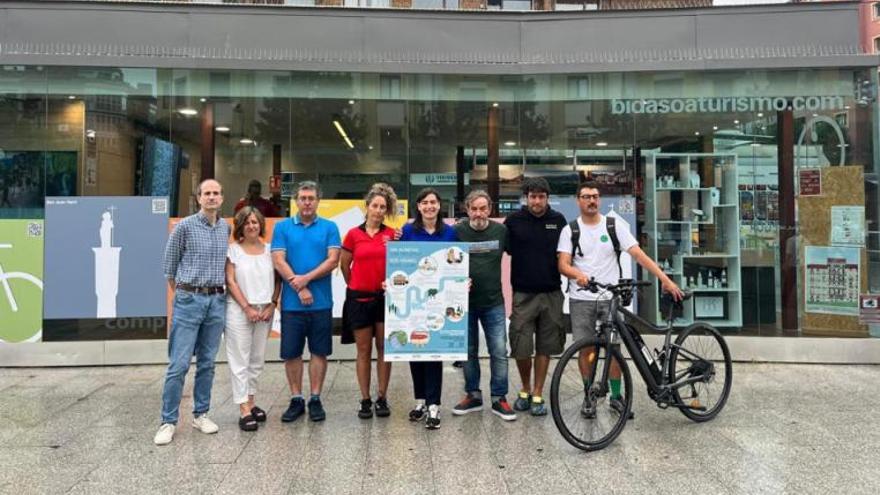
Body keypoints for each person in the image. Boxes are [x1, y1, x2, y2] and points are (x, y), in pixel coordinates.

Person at [557, 181, 684, 418]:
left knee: (614, 348)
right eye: (586, 197)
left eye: (595, 196)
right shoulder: (570, 230)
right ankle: (589, 396)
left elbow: (639, 255)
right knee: (584, 349)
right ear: (578, 201)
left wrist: (665, 280)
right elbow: (563, 264)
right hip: (581, 298)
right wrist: (577, 275)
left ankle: (616, 396)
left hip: (610, 298)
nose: (592, 201)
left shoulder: (613, 226)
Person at [154, 179, 230, 446]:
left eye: (216, 193)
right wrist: (186, 294)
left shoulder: (225, 227)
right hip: (189, 299)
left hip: (216, 300)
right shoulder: (184, 227)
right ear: (199, 198)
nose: (211, 197)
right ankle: (168, 421)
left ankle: (201, 414)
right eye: (207, 193)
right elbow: (169, 267)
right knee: (179, 364)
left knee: (207, 363)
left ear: (222, 198)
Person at [272, 181, 341, 423]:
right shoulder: (282, 228)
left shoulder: (330, 227)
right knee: (291, 353)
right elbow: (278, 260)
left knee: (319, 351)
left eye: (311, 198)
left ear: (318, 201)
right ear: (296, 201)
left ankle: (315, 398)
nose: (307, 202)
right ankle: (296, 398)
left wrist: (305, 279)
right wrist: (299, 286)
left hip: (321, 303)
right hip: (291, 305)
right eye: (303, 198)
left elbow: (333, 260)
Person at [504, 177, 567, 417]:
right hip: (523, 294)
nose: (537, 201)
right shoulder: (513, 221)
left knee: (545, 345)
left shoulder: (558, 221)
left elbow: (567, 255)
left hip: (551, 293)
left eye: (541, 197)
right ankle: (525, 388)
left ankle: (538, 392)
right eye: (533, 197)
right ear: (526, 198)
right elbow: (501, 248)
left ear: (547, 198)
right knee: (521, 345)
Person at [452, 190, 516, 421]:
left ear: (489, 209)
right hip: (464, 303)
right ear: (467, 210)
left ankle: (499, 397)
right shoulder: (457, 232)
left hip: (493, 302)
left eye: (483, 208)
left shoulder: (501, 231)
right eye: (474, 209)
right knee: (468, 351)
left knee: (499, 351)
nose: (478, 213)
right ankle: (473, 395)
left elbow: (520, 251)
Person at [399, 188, 458, 430]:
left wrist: (461, 282)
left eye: (433, 202)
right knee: (415, 350)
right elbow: (399, 261)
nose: (429, 206)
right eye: (425, 202)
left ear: (439, 205)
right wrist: (392, 281)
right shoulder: (407, 231)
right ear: (418, 206)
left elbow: (456, 263)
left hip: (438, 301)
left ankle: (434, 405)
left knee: (434, 352)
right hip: (414, 301)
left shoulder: (450, 233)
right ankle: (421, 401)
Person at [340, 183, 397, 420]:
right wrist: (356, 284)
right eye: (375, 205)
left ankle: (382, 397)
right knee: (363, 350)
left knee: (384, 349)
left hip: (385, 299)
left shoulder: (392, 235)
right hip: (360, 300)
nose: (378, 210)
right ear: (367, 206)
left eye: (383, 207)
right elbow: (344, 265)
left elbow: (400, 264)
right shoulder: (353, 234)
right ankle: (365, 399)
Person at [224, 206, 280, 431]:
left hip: (264, 310)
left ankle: (251, 400)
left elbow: (278, 280)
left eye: (255, 222)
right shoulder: (233, 251)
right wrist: (246, 307)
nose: (251, 226)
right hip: (239, 311)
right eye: (247, 222)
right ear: (240, 226)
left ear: (261, 225)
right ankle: (243, 409)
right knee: (240, 359)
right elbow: (230, 281)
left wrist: (272, 304)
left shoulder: (270, 250)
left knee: (257, 359)